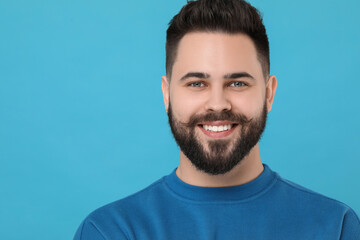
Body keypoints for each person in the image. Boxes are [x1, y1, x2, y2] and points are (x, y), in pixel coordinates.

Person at [74, 0, 360, 239]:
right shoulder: (111, 231)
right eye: (197, 83)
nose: (218, 104)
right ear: (167, 94)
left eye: (237, 83)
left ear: (269, 93)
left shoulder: (336, 227)